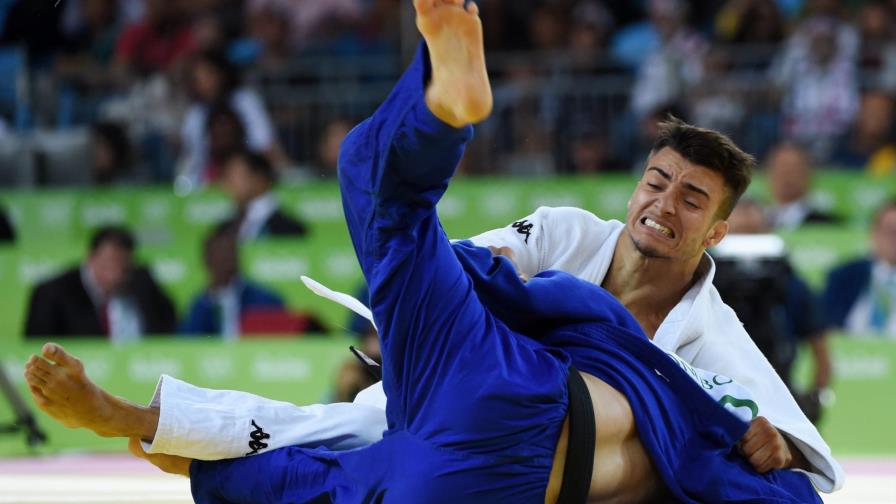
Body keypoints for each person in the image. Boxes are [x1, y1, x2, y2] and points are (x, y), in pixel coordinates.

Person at [25, 4, 824, 500]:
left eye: (692, 200)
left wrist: (779, 441)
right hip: (454, 419)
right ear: (633, 188)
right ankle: (446, 103)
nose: (664, 205)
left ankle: (445, 113)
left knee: (382, 207)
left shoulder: (714, 331)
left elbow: (794, 447)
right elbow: (464, 269)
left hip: (492, 400)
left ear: (717, 232)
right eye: (657, 182)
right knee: (309, 453)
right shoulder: (570, 231)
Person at [24, 226, 176, 340]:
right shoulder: (51, 293)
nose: (116, 273)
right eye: (109, 263)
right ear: (90, 256)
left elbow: (167, 325)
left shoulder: (141, 281)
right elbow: (38, 346)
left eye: (123, 265)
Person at [179, 223, 285, 338]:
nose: (227, 259)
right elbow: (188, 340)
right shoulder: (199, 305)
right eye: (220, 255)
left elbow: (281, 338)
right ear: (206, 260)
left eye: (230, 253)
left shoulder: (265, 300)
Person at [823, 198, 896, 337]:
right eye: (889, 231)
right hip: (849, 348)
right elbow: (824, 326)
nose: (894, 239)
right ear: (874, 233)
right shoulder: (844, 275)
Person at [217, 149, 308, 241]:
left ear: (260, 178)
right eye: (226, 176)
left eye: (234, 175)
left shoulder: (289, 229)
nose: (226, 183)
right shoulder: (225, 227)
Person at [765, 141, 841, 230]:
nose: (786, 176)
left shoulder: (826, 224)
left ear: (809, 174)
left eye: (793, 170)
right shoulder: (760, 220)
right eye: (781, 169)